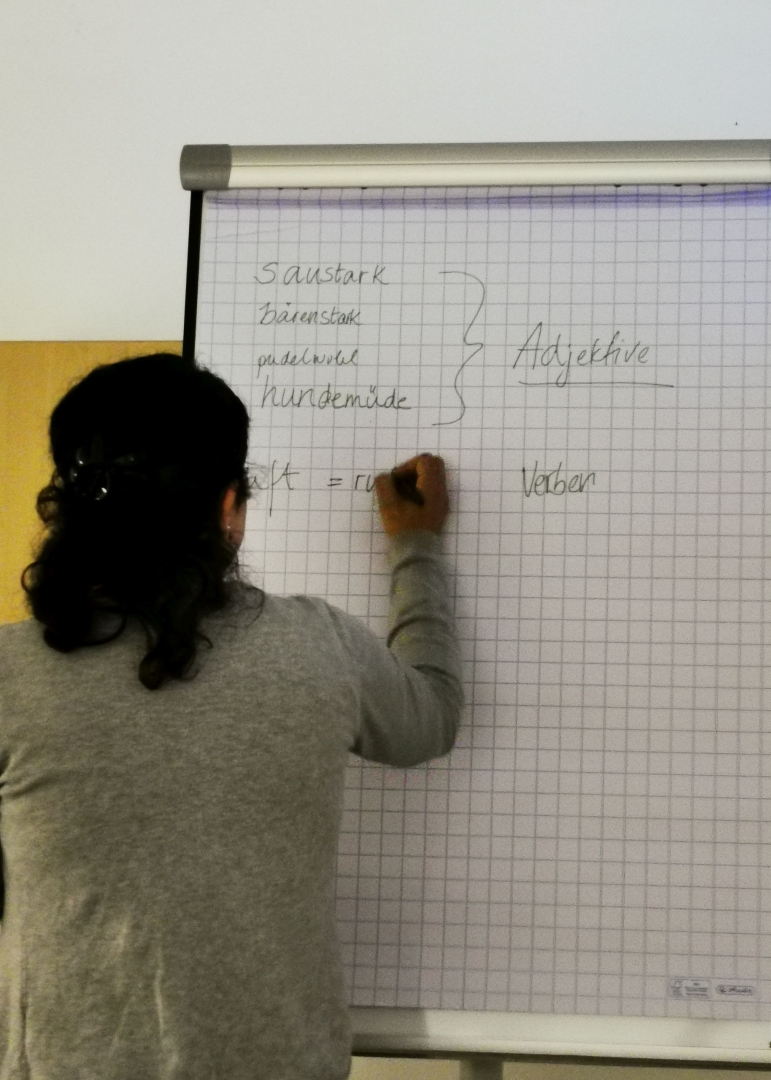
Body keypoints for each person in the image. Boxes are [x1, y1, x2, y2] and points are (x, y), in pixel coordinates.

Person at [0, 354, 462, 1080]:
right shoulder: (321, 646)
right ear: (227, 507)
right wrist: (415, 549)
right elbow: (431, 715)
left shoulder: (8, 673)